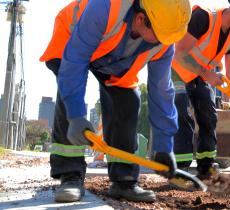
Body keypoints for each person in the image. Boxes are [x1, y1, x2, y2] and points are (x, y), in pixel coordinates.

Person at [40, 0, 191, 203]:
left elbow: (162, 92)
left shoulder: (165, 41)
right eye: (161, 36)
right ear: (140, 18)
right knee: (68, 95)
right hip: (73, 39)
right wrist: (76, 115)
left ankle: (124, 181)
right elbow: (75, 61)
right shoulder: (105, 7)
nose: (164, 42)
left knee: (127, 102)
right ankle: (70, 175)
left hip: (113, 58)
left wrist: (164, 145)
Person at [171, 0, 230, 179]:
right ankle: (180, 169)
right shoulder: (204, 17)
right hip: (177, 70)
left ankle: (206, 167)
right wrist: (206, 74)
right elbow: (179, 53)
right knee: (182, 115)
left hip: (202, 74)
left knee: (208, 114)